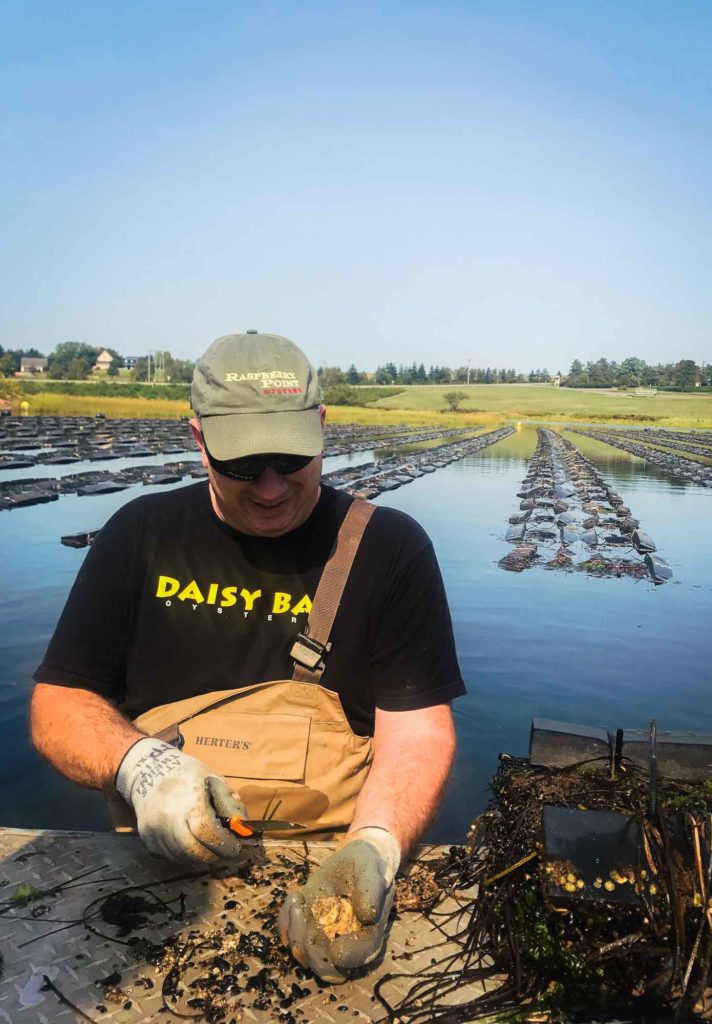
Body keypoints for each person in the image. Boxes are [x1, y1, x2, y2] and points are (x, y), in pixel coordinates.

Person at [29, 330, 465, 982]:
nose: (268, 488)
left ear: (322, 427)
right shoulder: (140, 536)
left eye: (290, 460)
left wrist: (374, 847)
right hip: (153, 875)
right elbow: (58, 706)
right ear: (198, 437)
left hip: (330, 861)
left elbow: (420, 733)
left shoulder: (389, 550)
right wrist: (137, 767)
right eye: (241, 464)